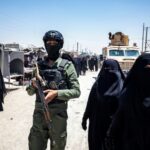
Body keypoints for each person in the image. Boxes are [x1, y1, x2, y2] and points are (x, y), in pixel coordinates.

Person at [26, 30, 81, 150]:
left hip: (58, 117)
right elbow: (29, 92)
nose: (51, 45)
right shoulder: (39, 66)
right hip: (39, 115)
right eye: (48, 42)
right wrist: (33, 85)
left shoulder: (67, 66)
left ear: (60, 44)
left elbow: (76, 91)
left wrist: (56, 93)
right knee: (35, 145)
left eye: (54, 42)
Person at [106, 53, 150, 150]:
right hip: (131, 141)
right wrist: (111, 134)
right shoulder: (129, 93)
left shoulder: (128, 91)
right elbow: (120, 115)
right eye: (147, 69)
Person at [82, 59, 125, 150]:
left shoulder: (124, 87)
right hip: (98, 124)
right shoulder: (97, 85)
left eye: (112, 69)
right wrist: (85, 117)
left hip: (116, 125)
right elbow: (90, 103)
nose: (109, 72)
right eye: (106, 69)